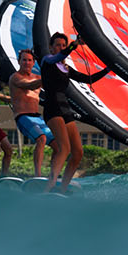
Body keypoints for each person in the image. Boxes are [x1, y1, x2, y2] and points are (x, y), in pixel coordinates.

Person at [40, 32, 110, 193]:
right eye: (57, 45)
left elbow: (88, 79)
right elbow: (58, 57)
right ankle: (48, 189)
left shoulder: (66, 68)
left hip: (65, 109)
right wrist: (74, 44)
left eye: (63, 45)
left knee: (78, 152)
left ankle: (62, 189)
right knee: (64, 149)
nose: (61, 48)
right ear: (51, 48)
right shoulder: (47, 61)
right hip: (52, 108)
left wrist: (108, 68)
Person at [7, 49, 51, 177]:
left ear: (34, 63)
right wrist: (47, 77)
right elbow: (30, 86)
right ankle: (37, 175)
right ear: (19, 62)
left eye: (29, 60)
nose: (27, 62)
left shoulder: (38, 77)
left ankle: (53, 177)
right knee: (41, 138)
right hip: (23, 117)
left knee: (58, 146)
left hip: (37, 118)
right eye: (24, 60)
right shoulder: (15, 77)